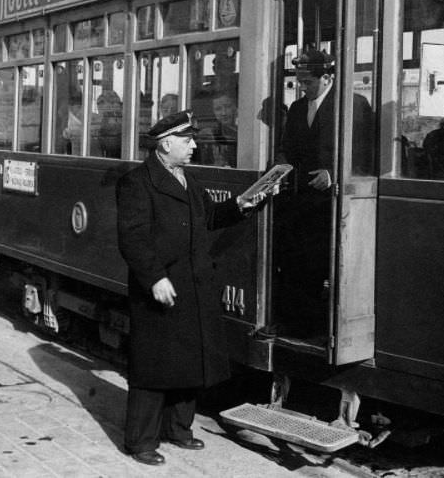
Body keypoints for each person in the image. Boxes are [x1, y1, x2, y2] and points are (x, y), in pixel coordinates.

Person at [116, 110, 265, 466]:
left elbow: (209, 217)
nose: (194, 146)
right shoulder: (138, 182)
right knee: (153, 368)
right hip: (162, 285)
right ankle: (140, 441)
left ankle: (178, 429)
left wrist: (241, 205)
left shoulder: (187, 179)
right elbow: (133, 239)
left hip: (193, 285)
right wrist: (154, 277)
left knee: (187, 362)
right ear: (166, 144)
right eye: (188, 140)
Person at [273, 49, 372, 338]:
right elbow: (286, 148)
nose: (303, 88)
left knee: (322, 266)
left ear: (327, 78)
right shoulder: (296, 109)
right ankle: (298, 325)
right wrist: (280, 167)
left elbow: (364, 155)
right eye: (300, 82)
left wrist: (333, 175)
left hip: (334, 203)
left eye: (309, 82)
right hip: (299, 200)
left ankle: (319, 327)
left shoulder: (354, 106)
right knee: (296, 264)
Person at [197, 91, 238, 167]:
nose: (223, 113)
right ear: (213, 112)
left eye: (228, 106)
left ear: (235, 108)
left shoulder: (244, 132)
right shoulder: (208, 136)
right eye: (218, 109)